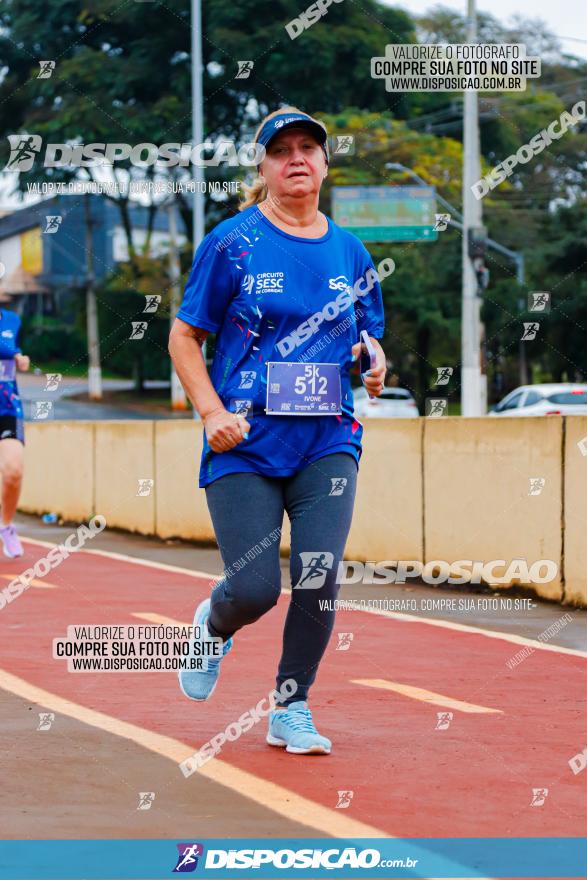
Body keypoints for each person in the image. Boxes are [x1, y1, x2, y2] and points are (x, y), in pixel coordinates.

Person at [169, 107, 387, 755]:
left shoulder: (350, 250)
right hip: (246, 442)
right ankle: (212, 623)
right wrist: (210, 413)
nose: (296, 158)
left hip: (329, 439)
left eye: (307, 149)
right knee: (256, 588)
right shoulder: (231, 242)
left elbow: (367, 340)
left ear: (323, 163)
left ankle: (290, 709)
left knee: (318, 575)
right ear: (262, 168)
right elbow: (185, 335)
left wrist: (373, 365)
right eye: (280, 150)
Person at [0, 294, 29, 558]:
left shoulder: (11, 320)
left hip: (7, 408)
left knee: (13, 471)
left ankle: (6, 526)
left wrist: (21, 359)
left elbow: (15, 351)